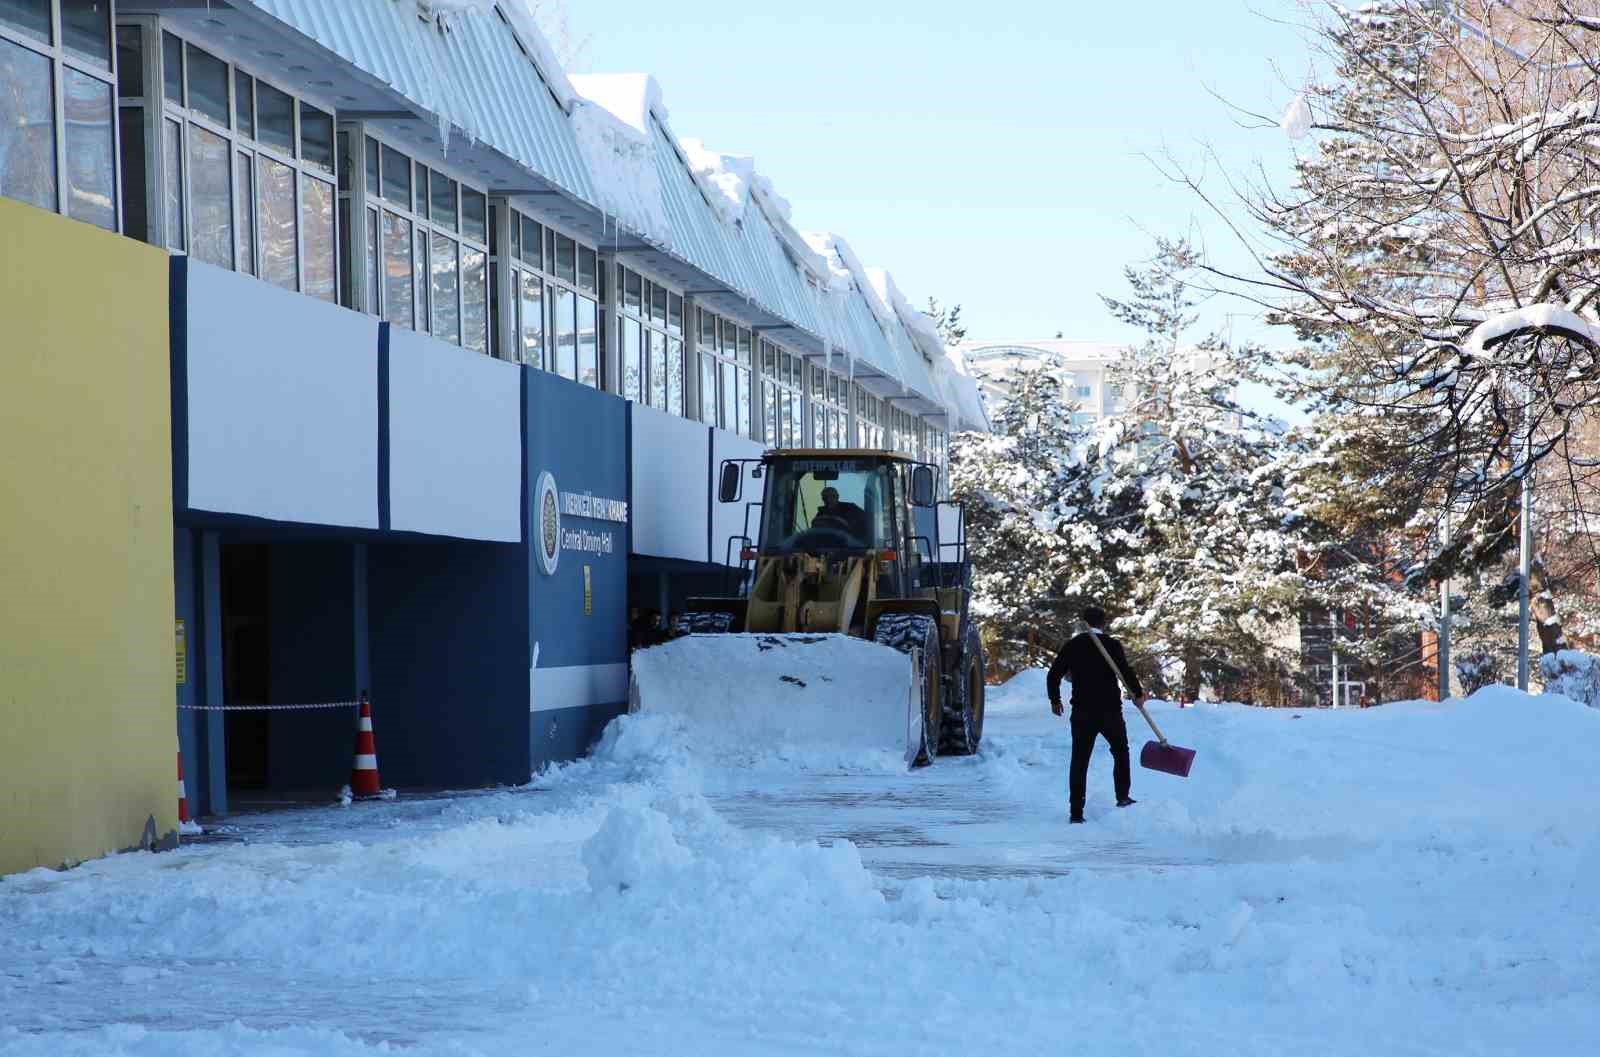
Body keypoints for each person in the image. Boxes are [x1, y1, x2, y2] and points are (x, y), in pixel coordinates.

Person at [1046, 606, 1147, 823]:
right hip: (1110, 710)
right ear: (1104, 622)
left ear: (1084, 622)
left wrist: (1055, 700)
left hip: (1082, 711)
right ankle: (1122, 796)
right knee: (1121, 751)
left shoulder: (1073, 645)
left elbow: (1054, 674)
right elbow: (1125, 670)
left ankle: (1076, 812)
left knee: (1080, 760)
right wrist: (1138, 693)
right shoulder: (1112, 645)